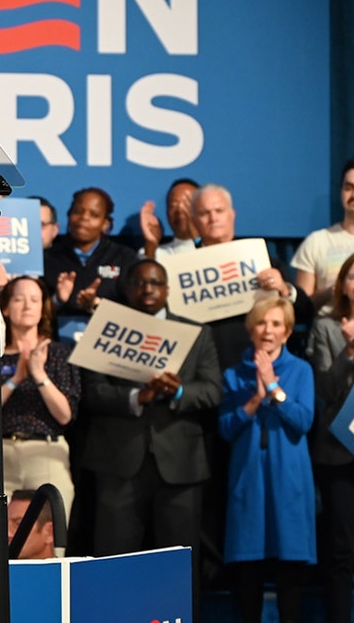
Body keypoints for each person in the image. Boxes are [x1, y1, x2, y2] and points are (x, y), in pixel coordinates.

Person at [81, 259, 222, 614]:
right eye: (140, 283)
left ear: (168, 290)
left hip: (180, 467)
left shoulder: (196, 333)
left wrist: (176, 392)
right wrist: (136, 397)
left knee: (177, 569)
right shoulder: (107, 328)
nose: (148, 290)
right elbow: (93, 392)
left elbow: (212, 390)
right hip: (118, 463)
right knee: (113, 566)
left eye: (156, 283)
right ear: (128, 288)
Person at [219, 297, 315, 623]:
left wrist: (273, 386)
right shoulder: (234, 375)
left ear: (287, 333)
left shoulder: (301, 370)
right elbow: (226, 427)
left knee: (289, 576)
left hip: (288, 480)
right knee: (248, 575)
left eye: (276, 324)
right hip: (248, 479)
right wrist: (255, 398)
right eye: (261, 323)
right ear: (251, 330)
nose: (268, 330)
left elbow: (303, 421)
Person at [0, 276, 78, 521]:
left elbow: (65, 415)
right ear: (6, 309)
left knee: (49, 540)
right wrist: (16, 379)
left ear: (43, 308)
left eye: (35, 300)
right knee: (3, 543)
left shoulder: (59, 354)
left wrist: (38, 374)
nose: (28, 306)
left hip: (47, 452)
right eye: (19, 299)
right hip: (0, 454)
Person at [306, 251, 354, 623]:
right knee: (341, 554)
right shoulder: (325, 327)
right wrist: (351, 352)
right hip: (339, 453)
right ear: (343, 284)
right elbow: (326, 389)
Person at [189, 183, 315, 369]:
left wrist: (283, 289)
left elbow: (305, 313)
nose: (213, 218)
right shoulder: (184, 270)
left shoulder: (264, 261)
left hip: (257, 369)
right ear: (193, 220)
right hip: (203, 372)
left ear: (232, 214)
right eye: (204, 213)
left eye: (219, 210)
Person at [43, 187, 138, 344]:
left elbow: (135, 312)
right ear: (68, 216)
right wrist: (58, 300)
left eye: (94, 215)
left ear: (105, 224)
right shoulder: (48, 257)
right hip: (57, 348)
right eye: (78, 212)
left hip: (110, 346)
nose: (84, 218)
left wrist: (96, 304)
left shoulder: (124, 257)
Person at [293, 156, 354, 309]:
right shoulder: (317, 242)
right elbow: (300, 309)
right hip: (327, 329)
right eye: (349, 187)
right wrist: (332, 292)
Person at [137, 178, 199, 259]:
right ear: (167, 213)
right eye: (173, 205)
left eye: (187, 203)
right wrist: (151, 246)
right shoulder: (156, 253)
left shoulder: (218, 248)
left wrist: (197, 238)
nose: (180, 209)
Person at [7, 489, 56, 560]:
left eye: (19, 524)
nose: (8, 533)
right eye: (3, 524)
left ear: (50, 532)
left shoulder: (67, 570)